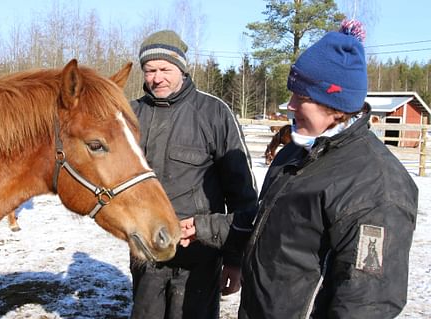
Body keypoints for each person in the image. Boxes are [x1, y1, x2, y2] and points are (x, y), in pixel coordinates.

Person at [236, 20, 419, 318]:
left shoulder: (377, 187)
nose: (290, 106)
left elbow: (366, 303)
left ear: (336, 106)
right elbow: (272, 228)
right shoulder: (296, 151)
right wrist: (206, 228)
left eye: (302, 97)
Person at [130, 30, 258, 319]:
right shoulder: (131, 115)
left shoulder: (214, 113)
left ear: (183, 70)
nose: (157, 77)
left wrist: (234, 259)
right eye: (150, 70)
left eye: (165, 69)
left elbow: (242, 194)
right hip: (146, 251)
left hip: (200, 254)